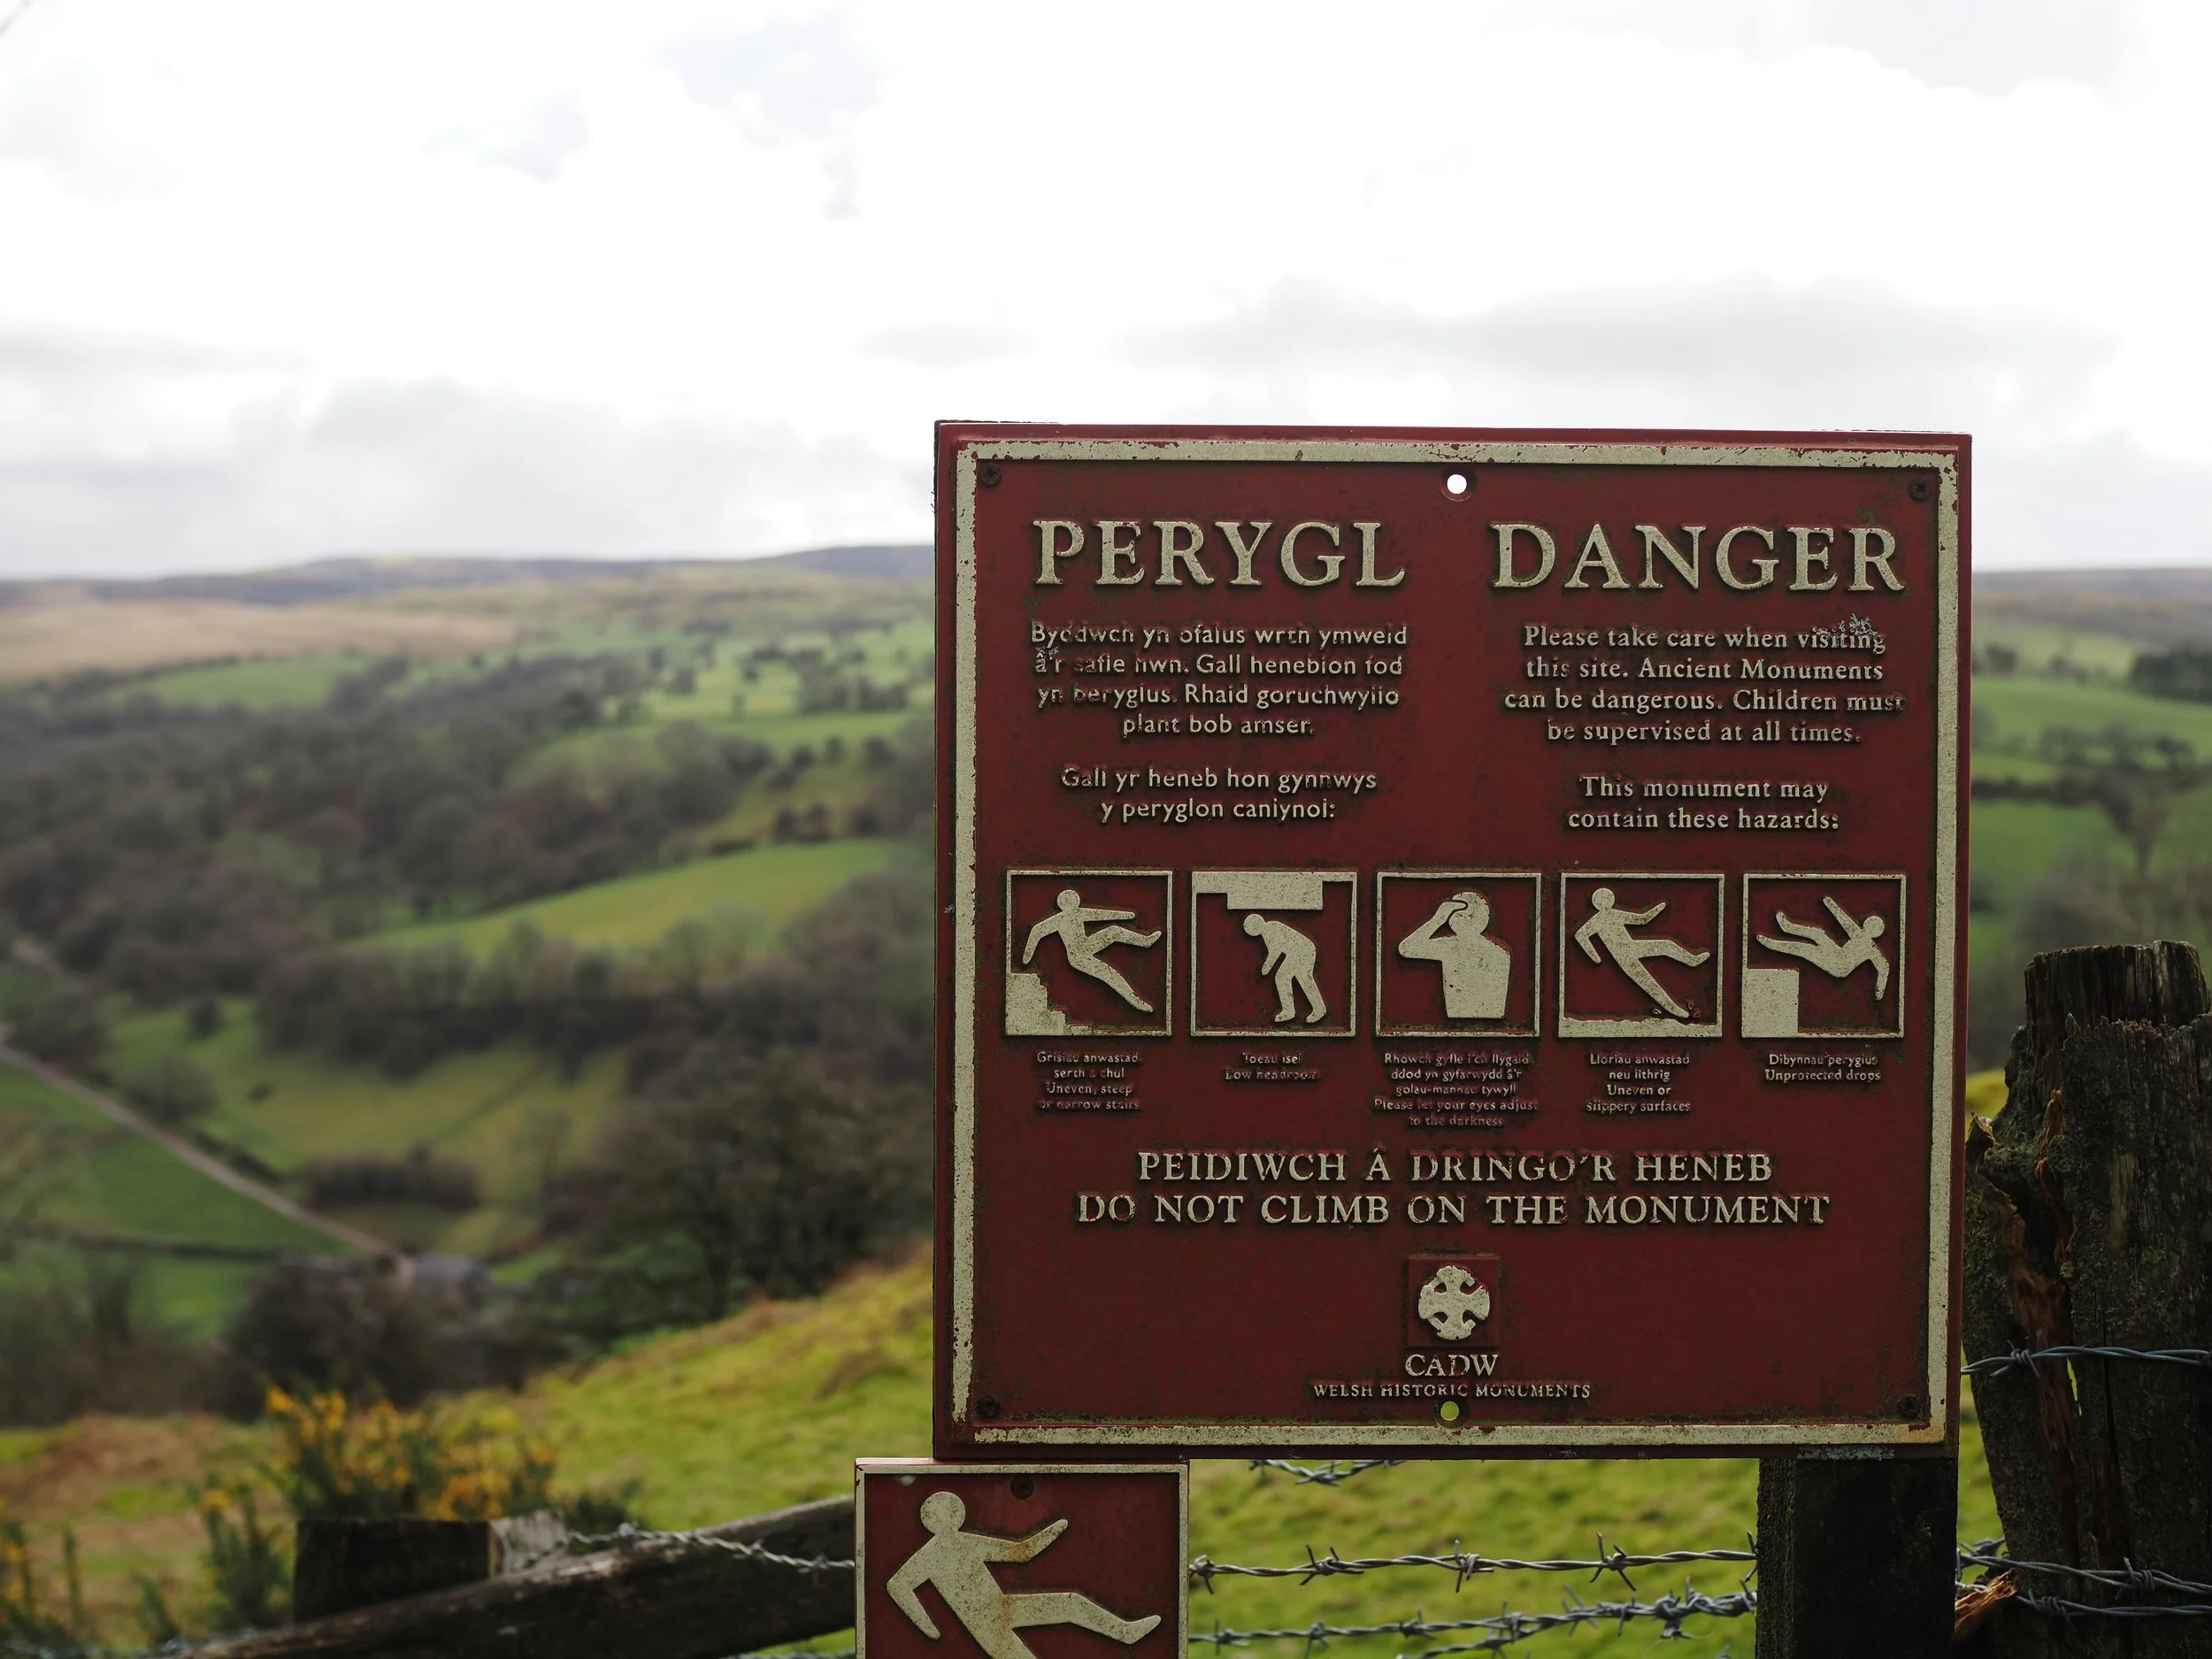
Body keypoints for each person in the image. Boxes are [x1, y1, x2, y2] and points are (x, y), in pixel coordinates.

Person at [886, 1491, 1162, 1659]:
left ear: (958, 1516)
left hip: (1004, 1606)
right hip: (987, 1627)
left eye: (952, 1514)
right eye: (941, 1517)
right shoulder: (928, 1556)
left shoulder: (968, 1541)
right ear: (929, 1521)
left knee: (1071, 1603)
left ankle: (1125, 1632)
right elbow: (897, 1585)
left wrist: (1054, 1530)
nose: (949, 1521)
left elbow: (1021, 1553)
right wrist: (928, 1627)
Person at [1572, 887, 1709, 1020]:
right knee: (1650, 984)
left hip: (1632, 947)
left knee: (1665, 945)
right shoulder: (1596, 920)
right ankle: (1676, 1010)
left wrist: (1659, 908)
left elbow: (1642, 919)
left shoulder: (1614, 914)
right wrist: (1594, 957)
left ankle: (1692, 960)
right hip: (1623, 956)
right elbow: (1580, 935)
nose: (1606, 902)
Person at [1021, 889, 1161, 1013]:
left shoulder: (1080, 913)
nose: (1071, 903)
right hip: (1078, 956)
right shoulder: (1058, 920)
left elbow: (1103, 915)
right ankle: (1136, 1002)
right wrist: (1027, 957)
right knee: (1110, 973)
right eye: (1067, 901)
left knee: (1113, 931)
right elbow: (1037, 931)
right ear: (1061, 904)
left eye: (1073, 900)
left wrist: (1128, 916)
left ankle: (1145, 941)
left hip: (1087, 945)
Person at [1395, 889, 1511, 1018]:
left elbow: (1407, 948)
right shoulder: (1501, 952)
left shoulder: (1448, 946)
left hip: (1456, 1018)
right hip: (1492, 1028)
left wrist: (1438, 920)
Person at [1757, 895, 1891, 999]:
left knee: (1806, 949)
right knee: (1818, 933)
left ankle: (1772, 944)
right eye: (1870, 923)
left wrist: (1880, 991)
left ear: (1876, 932)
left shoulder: (1871, 948)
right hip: (1836, 953)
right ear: (1866, 925)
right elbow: (1843, 919)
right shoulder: (1857, 933)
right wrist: (1829, 903)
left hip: (1839, 967)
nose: (1869, 926)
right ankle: (1787, 927)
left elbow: (1884, 967)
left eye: (1873, 926)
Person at [1242, 911, 1326, 1024]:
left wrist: (1266, 968)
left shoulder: (1270, 929)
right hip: (1300, 950)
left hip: (1302, 951)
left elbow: (1275, 951)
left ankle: (1313, 1009)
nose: (1251, 930)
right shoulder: (1269, 928)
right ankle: (1293, 1010)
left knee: (1289, 978)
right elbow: (1278, 950)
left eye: (1252, 927)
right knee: (1289, 977)